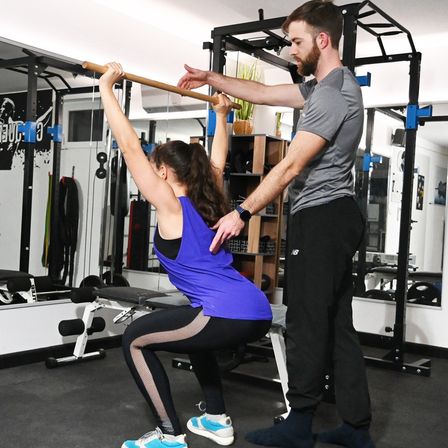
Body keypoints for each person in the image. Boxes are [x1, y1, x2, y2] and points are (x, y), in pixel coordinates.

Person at [178, 1, 374, 448]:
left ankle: (299, 420)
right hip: (336, 214)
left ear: (323, 40)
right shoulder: (328, 86)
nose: (291, 50)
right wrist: (211, 78)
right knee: (337, 322)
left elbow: (288, 169)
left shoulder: (331, 94)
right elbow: (264, 95)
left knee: (305, 320)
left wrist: (241, 212)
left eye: (297, 41)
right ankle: (356, 428)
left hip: (322, 216)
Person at [99, 62, 272, 448]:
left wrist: (107, 89)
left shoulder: (171, 205)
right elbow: (219, 157)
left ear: (161, 171)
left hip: (225, 312)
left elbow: (129, 147)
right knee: (197, 337)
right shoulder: (207, 199)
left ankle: (169, 435)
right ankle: (215, 419)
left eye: (153, 167)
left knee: (134, 339)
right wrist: (222, 116)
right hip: (255, 310)